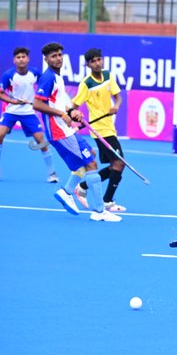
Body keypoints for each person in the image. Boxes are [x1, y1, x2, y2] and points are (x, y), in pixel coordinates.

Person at [32, 42, 121, 223]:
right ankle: (99, 211)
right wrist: (62, 114)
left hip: (65, 129)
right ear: (46, 59)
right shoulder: (48, 78)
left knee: (90, 157)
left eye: (59, 55)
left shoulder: (58, 77)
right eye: (53, 56)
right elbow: (37, 104)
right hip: (59, 132)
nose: (58, 58)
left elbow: (58, 104)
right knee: (91, 164)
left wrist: (72, 113)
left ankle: (66, 192)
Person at [0, 46, 58, 183]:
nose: (21, 60)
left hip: (29, 112)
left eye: (23, 57)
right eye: (18, 57)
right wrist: (13, 101)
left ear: (28, 59)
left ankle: (52, 173)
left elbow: (44, 87)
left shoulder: (35, 73)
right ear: (14, 60)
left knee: (42, 141)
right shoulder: (8, 75)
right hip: (11, 111)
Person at [70, 48, 126, 212]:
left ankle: (82, 186)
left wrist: (115, 106)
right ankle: (107, 201)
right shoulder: (86, 84)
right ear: (88, 64)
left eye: (99, 59)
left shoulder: (108, 76)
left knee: (115, 165)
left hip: (109, 126)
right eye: (93, 61)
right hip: (99, 130)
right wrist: (74, 115)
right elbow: (73, 107)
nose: (97, 63)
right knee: (119, 162)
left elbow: (118, 96)